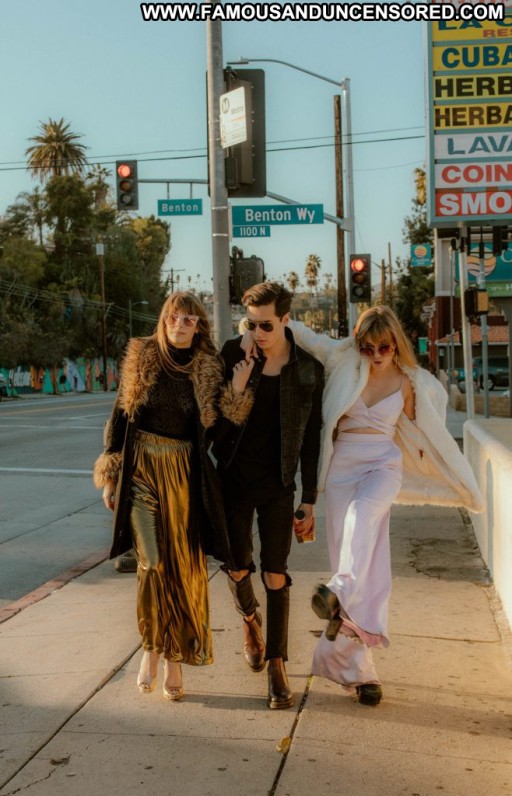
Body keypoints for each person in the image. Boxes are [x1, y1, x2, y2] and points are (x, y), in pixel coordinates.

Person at [286, 306, 484, 706]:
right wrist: (279, 321)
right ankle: (361, 673)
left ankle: (339, 589)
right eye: (368, 347)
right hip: (342, 469)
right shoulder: (343, 361)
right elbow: (309, 339)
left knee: (361, 522)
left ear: (396, 344)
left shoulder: (412, 382)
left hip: (382, 466)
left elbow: (427, 432)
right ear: (358, 344)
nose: (376, 355)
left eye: (384, 347)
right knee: (362, 558)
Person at [93, 292, 234, 701]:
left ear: (199, 326)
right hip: (141, 470)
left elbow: (219, 430)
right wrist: (111, 474)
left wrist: (237, 392)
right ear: (164, 319)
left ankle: (174, 658)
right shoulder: (142, 356)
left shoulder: (208, 367)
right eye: (174, 317)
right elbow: (120, 416)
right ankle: (152, 648)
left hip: (183, 474)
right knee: (152, 563)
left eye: (189, 319)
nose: (180, 324)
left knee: (182, 570)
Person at [213, 282, 324, 710]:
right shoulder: (233, 355)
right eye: (251, 324)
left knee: (275, 573)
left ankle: (277, 664)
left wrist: (309, 497)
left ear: (285, 320)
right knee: (238, 566)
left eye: (266, 325)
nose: (257, 333)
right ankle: (249, 621)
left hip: (279, 485)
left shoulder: (308, 369)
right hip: (234, 479)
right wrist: (237, 386)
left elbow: (311, 439)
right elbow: (214, 426)